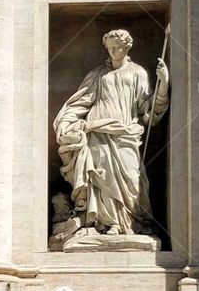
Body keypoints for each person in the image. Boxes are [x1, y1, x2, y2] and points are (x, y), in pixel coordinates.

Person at [54, 29, 169, 238]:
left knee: (133, 179)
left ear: (127, 47)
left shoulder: (138, 73)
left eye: (118, 47)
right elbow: (82, 101)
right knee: (101, 177)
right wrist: (67, 121)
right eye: (110, 47)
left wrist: (163, 84)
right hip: (98, 131)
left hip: (125, 133)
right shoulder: (98, 75)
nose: (114, 51)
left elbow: (148, 110)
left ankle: (130, 223)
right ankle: (106, 224)